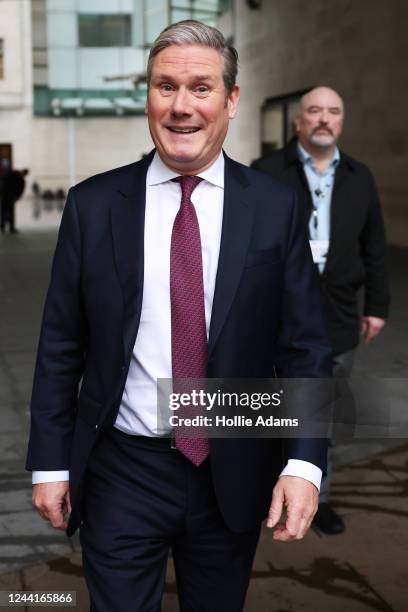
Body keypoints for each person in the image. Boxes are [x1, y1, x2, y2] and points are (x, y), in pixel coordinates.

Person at [26, 22, 332, 611]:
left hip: (234, 462)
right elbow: (61, 343)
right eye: (165, 87)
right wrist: (48, 462)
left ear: (231, 100)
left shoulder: (273, 207)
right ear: (148, 97)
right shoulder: (94, 206)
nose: (182, 106)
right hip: (123, 468)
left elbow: (306, 346)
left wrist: (304, 461)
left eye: (201, 87)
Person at [252, 86, 390, 535]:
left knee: (323, 413)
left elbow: (375, 248)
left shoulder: (360, 176)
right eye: (314, 111)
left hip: (339, 315)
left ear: (342, 121)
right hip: (276, 315)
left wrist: (378, 307)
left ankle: (318, 496)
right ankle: (262, 492)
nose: (324, 119)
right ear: (298, 122)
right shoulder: (267, 172)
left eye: (334, 111)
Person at [0, 168, 28, 233]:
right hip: (8, 196)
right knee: (7, 212)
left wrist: (17, 197)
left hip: (7, 196)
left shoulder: (19, 178)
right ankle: (6, 227)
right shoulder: (17, 177)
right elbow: (20, 190)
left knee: (6, 211)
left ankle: (6, 227)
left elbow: (4, 180)